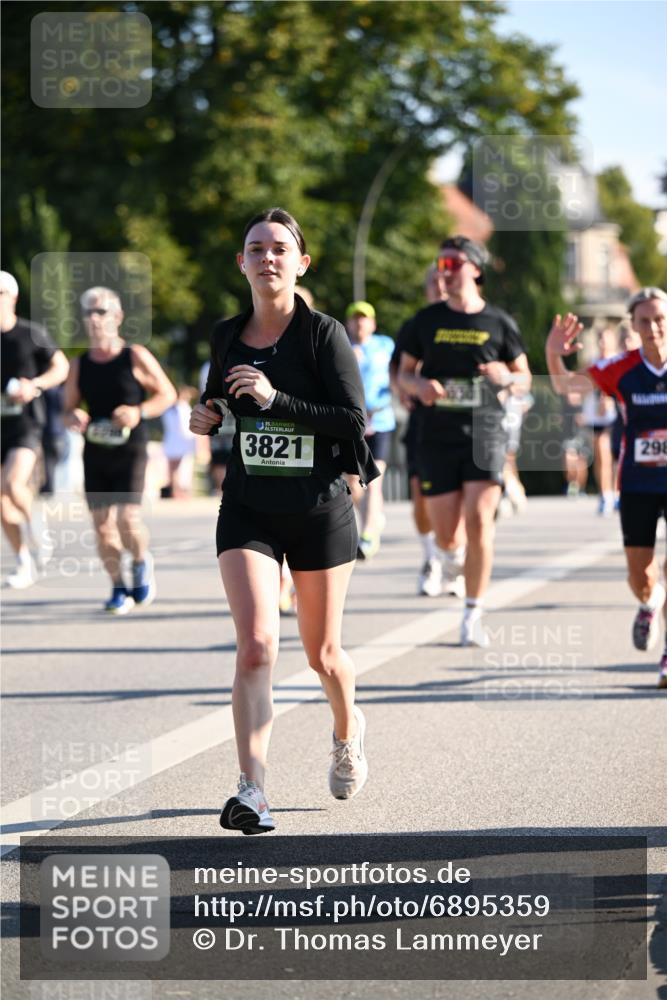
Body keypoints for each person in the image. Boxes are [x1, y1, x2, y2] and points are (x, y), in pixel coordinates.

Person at [190, 207, 378, 834]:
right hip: (249, 506)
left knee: (323, 655)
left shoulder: (323, 334)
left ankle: (347, 732)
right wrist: (206, 417)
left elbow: (353, 421)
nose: (266, 257)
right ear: (240, 263)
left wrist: (277, 400)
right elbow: (218, 400)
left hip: (318, 508)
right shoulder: (226, 334)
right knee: (256, 647)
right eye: (255, 248)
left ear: (301, 264)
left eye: (278, 249)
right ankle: (253, 790)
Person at [399, 236, 531, 646]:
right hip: (437, 435)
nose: (446, 270)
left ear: (475, 268)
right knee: (447, 536)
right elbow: (404, 373)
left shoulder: (499, 322)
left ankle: (473, 613)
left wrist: (505, 377)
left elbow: (525, 377)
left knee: (479, 521)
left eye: (454, 263)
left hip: (485, 432)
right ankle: (453, 558)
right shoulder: (425, 321)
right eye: (441, 263)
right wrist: (419, 386)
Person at [546, 288, 667, 689]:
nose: (654, 327)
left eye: (660, 318)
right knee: (640, 575)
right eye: (645, 320)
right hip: (637, 482)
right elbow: (565, 386)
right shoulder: (621, 368)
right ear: (634, 325)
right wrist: (553, 355)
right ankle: (651, 601)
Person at [64, 287, 176, 613]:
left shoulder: (134, 355)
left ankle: (140, 561)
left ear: (117, 316)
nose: (94, 319)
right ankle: (117, 586)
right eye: (88, 313)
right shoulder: (79, 364)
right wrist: (74, 416)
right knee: (102, 527)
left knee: (128, 519)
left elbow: (167, 394)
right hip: (96, 449)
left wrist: (138, 411)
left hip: (130, 448)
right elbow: (66, 409)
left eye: (100, 312)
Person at [390, 261, 466, 597]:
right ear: (427, 289)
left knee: (460, 499)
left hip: (463, 424)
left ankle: (454, 559)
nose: (440, 286)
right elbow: (396, 368)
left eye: (444, 280)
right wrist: (403, 390)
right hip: (424, 423)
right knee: (421, 495)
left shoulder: (467, 322)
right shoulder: (416, 324)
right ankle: (431, 557)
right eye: (434, 282)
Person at [1, 270, 69, 587]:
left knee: (12, 484)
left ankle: (37, 527)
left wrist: (35, 385)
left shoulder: (31, 333)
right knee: (1, 501)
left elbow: (61, 366)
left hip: (26, 424)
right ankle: (23, 561)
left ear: (13, 297)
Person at [344, 300, 395, 559]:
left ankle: (367, 536)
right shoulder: (341, 346)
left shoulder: (385, 345)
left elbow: (397, 376)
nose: (360, 323)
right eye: (355, 318)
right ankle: (373, 517)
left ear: (373, 323)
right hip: (352, 424)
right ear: (348, 323)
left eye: (364, 318)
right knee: (352, 483)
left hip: (380, 421)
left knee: (373, 479)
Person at [580, 326, 619, 515]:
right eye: (600, 339)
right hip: (595, 416)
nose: (603, 343)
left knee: (615, 456)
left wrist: (609, 398)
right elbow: (581, 386)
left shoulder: (619, 361)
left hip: (615, 416)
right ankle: (605, 494)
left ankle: (616, 492)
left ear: (613, 340)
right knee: (601, 456)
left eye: (606, 338)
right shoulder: (592, 363)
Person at [161, 385, 197, 498]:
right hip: (180, 442)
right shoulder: (181, 408)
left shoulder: (170, 408)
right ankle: (177, 491)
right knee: (178, 468)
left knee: (173, 468)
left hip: (173, 441)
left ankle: (175, 490)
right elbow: (184, 426)